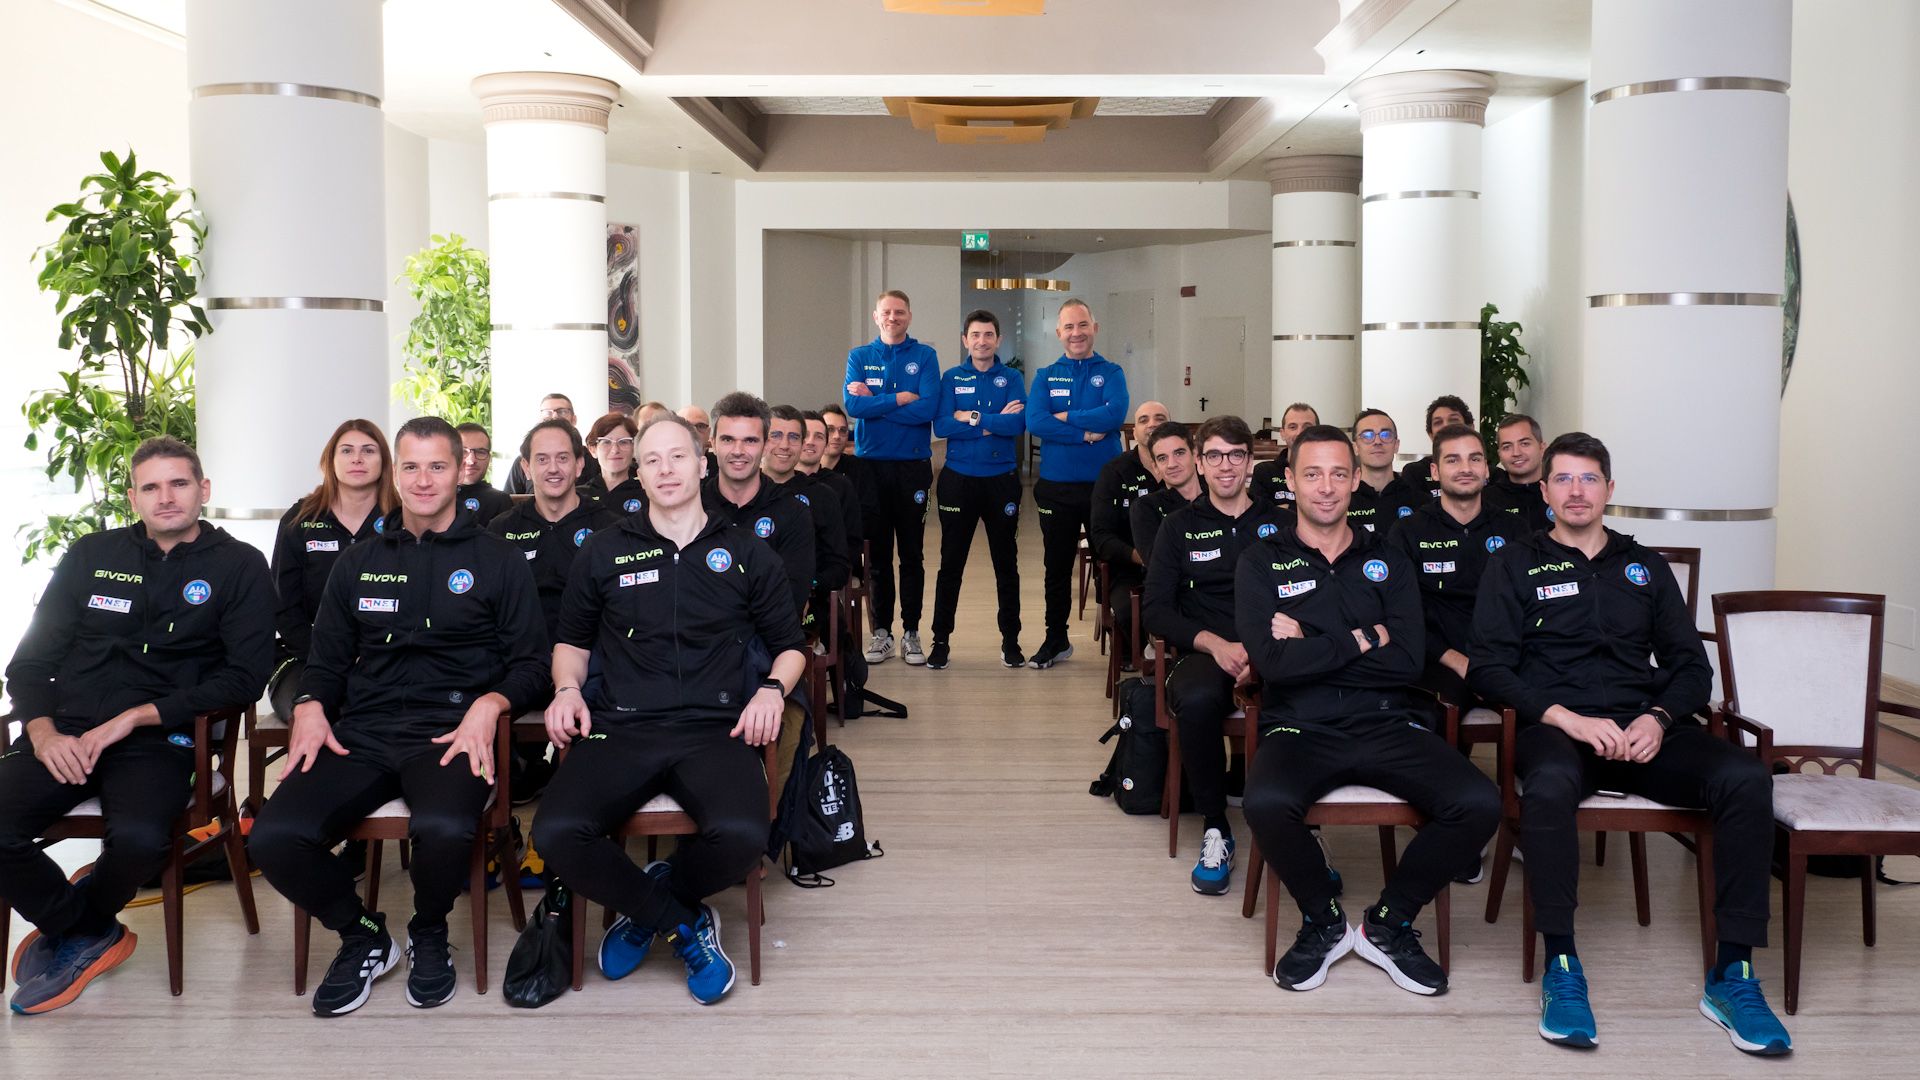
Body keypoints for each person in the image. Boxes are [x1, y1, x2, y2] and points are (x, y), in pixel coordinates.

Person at [1467, 432, 1788, 1054]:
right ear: (1544, 490)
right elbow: (1489, 667)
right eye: (1564, 479)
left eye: (1589, 478)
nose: (1577, 491)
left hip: (1643, 732)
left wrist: (1659, 718)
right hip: (1557, 731)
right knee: (1549, 787)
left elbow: (1692, 667)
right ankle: (1562, 964)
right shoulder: (1514, 563)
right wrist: (1566, 718)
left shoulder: (1644, 567)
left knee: (1746, 777)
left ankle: (1734, 973)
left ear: (1610, 489)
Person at [248, 417, 548, 1017]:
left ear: (461, 471)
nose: (423, 480)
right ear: (396, 473)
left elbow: (533, 665)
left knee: (446, 827)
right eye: (411, 466)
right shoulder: (357, 562)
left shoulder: (498, 558)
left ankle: (429, 929)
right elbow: (326, 662)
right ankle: (363, 936)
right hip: (363, 730)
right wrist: (310, 704)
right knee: (274, 836)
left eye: (437, 466)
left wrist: (491, 704)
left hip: (452, 730)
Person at [533, 414, 807, 1006]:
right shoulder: (604, 551)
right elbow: (571, 645)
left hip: (714, 728)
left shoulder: (746, 551)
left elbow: (791, 648)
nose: (665, 470)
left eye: (677, 457)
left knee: (744, 835)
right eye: (651, 460)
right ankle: (680, 921)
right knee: (555, 831)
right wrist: (567, 690)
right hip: (621, 725)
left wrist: (771, 690)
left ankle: (651, 901)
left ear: (702, 464)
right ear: (638, 474)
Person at [2, 436, 274, 1015]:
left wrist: (135, 717)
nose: (165, 497)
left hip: (160, 739)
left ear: (203, 489)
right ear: (133, 498)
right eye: (150, 487)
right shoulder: (91, 554)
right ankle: (85, 927)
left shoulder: (240, 565)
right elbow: (28, 664)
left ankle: (81, 924)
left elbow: (245, 679)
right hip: (68, 734)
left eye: (179, 483)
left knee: (141, 840)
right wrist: (44, 733)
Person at [1236, 424, 1499, 997]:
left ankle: (1388, 923)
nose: (1326, 487)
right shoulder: (1260, 561)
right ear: (1289, 481)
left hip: (1386, 718)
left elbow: (1405, 661)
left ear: (1356, 479)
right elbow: (1273, 664)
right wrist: (1363, 637)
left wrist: (1309, 643)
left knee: (1479, 802)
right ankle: (1324, 922)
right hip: (1298, 723)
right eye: (1312, 474)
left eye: (1338, 473)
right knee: (1265, 802)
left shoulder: (1389, 558)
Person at [1142, 416, 1287, 896]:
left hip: (1274, 648)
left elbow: (1309, 593)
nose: (1226, 465)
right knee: (1198, 699)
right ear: (1200, 464)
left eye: (1236, 455)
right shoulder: (1177, 527)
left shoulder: (1283, 523)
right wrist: (1216, 644)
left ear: (1250, 462)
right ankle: (1215, 826)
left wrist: (1264, 649)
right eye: (1215, 456)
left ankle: (1302, 828)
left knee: (1306, 694)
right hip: (1207, 650)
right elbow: (1156, 609)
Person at [270, 420, 399, 727]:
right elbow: (283, 607)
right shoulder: (300, 520)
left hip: (387, 658)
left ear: (384, 462)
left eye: (368, 451)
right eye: (347, 451)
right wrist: (328, 655)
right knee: (319, 712)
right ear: (330, 460)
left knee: (381, 713)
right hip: (306, 658)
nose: (357, 459)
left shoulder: (402, 521)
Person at [1025, 297, 1129, 669]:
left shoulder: (1112, 372)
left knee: (1109, 563)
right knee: (1056, 567)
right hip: (1057, 487)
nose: (1076, 333)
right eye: (1069, 327)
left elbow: (1114, 415)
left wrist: (1066, 416)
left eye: (1082, 325)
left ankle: (1121, 640)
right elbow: (1035, 421)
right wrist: (1084, 433)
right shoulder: (1045, 375)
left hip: (1104, 487)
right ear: (1058, 333)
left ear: (1094, 328)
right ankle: (1056, 639)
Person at [1385, 425, 1521, 709]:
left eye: (1475, 459)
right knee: (1435, 711)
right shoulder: (1408, 531)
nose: (1465, 468)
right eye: (1453, 460)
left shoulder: (1514, 529)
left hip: (1506, 661)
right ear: (1435, 471)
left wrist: (1494, 668)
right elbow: (1402, 616)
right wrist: (1459, 663)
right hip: (1437, 661)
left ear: (1486, 469)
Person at [843, 289, 940, 666]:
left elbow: (928, 409)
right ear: (876, 316)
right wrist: (900, 398)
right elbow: (854, 406)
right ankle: (881, 632)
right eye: (886, 312)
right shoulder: (859, 356)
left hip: (913, 467)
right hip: (870, 468)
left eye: (899, 312)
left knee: (912, 554)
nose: (892, 317)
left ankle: (912, 632)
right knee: (878, 556)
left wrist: (877, 400)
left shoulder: (925, 355)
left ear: (909, 316)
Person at [927, 309, 1028, 670]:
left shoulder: (1012, 377)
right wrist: (991, 424)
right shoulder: (951, 378)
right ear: (965, 340)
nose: (982, 341)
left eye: (988, 335)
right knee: (951, 564)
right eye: (975, 335)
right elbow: (941, 426)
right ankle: (940, 640)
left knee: (1006, 564)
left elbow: (1017, 424)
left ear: (998, 340)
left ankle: (1011, 640)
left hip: (1001, 481)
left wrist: (970, 417)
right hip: (958, 481)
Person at [705, 393, 821, 623]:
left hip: (766, 639)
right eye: (728, 439)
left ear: (766, 445)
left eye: (750, 440)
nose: (738, 450)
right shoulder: (691, 507)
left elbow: (791, 598)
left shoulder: (793, 513)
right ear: (713, 444)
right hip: (698, 638)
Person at [1087, 400, 1168, 667]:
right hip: (1129, 568)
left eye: (1160, 418)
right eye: (1144, 420)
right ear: (1134, 432)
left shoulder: (1186, 471)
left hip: (1180, 567)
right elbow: (1101, 536)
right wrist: (1140, 557)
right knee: (1130, 610)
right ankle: (1146, 661)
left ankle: (1176, 660)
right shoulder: (1114, 472)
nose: (1152, 424)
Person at [764, 403, 850, 634]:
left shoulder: (823, 496)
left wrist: (807, 586)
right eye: (775, 435)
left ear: (801, 444)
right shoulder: (743, 493)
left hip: (808, 601)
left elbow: (839, 567)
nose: (784, 445)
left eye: (793, 437)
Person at [794, 409, 865, 581]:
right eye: (805, 435)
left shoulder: (839, 486)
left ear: (826, 444)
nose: (810, 442)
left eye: (818, 437)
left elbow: (852, 542)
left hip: (823, 577)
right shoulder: (777, 485)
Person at [1130, 420, 1201, 567]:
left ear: (1195, 454)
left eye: (1179, 453)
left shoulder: (1217, 498)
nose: (1172, 464)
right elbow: (1157, 563)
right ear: (1155, 467)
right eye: (1162, 458)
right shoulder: (1145, 508)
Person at [505, 393, 602, 494]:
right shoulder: (525, 460)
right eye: (547, 413)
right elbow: (511, 499)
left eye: (562, 412)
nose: (554, 417)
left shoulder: (594, 460)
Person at [1346, 409, 1423, 535]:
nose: (1377, 442)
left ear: (1396, 445)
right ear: (1355, 447)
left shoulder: (1421, 502)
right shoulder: (1342, 502)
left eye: (1386, 435)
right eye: (1367, 436)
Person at [1399, 395, 1474, 500]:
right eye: (1438, 422)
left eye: (1453, 420)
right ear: (1431, 434)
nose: (1446, 426)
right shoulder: (1415, 472)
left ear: (1470, 428)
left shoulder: (1490, 473)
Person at [1487, 413, 1551, 532]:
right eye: (1507, 447)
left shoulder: (1560, 492)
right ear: (1499, 454)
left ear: (1542, 448)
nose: (1516, 453)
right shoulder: (1486, 500)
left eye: (1524, 444)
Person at [1250, 401, 1320, 510]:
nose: (1299, 433)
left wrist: (1287, 508)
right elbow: (1258, 515)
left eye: (1307, 427)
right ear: (1282, 434)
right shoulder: (1264, 472)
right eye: (1293, 427)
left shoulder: (1329, 473)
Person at [454, 422, 514, 525]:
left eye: (480, 452)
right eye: (463, 452)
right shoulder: (433, 496)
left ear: (489, 459)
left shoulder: (499, 501)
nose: (471, 460)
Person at [585, 412, 643, 513]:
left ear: (634, 448)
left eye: (623, 442)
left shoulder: (646, 493)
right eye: (606, 442)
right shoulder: (580, 496)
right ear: (593, 449)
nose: (615, 450)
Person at [678, 403, 719, 478]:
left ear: (708, 432)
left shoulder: (719, 466)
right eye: (687, 425)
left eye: (700, 426)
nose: (694, 431)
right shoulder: (666, 466)